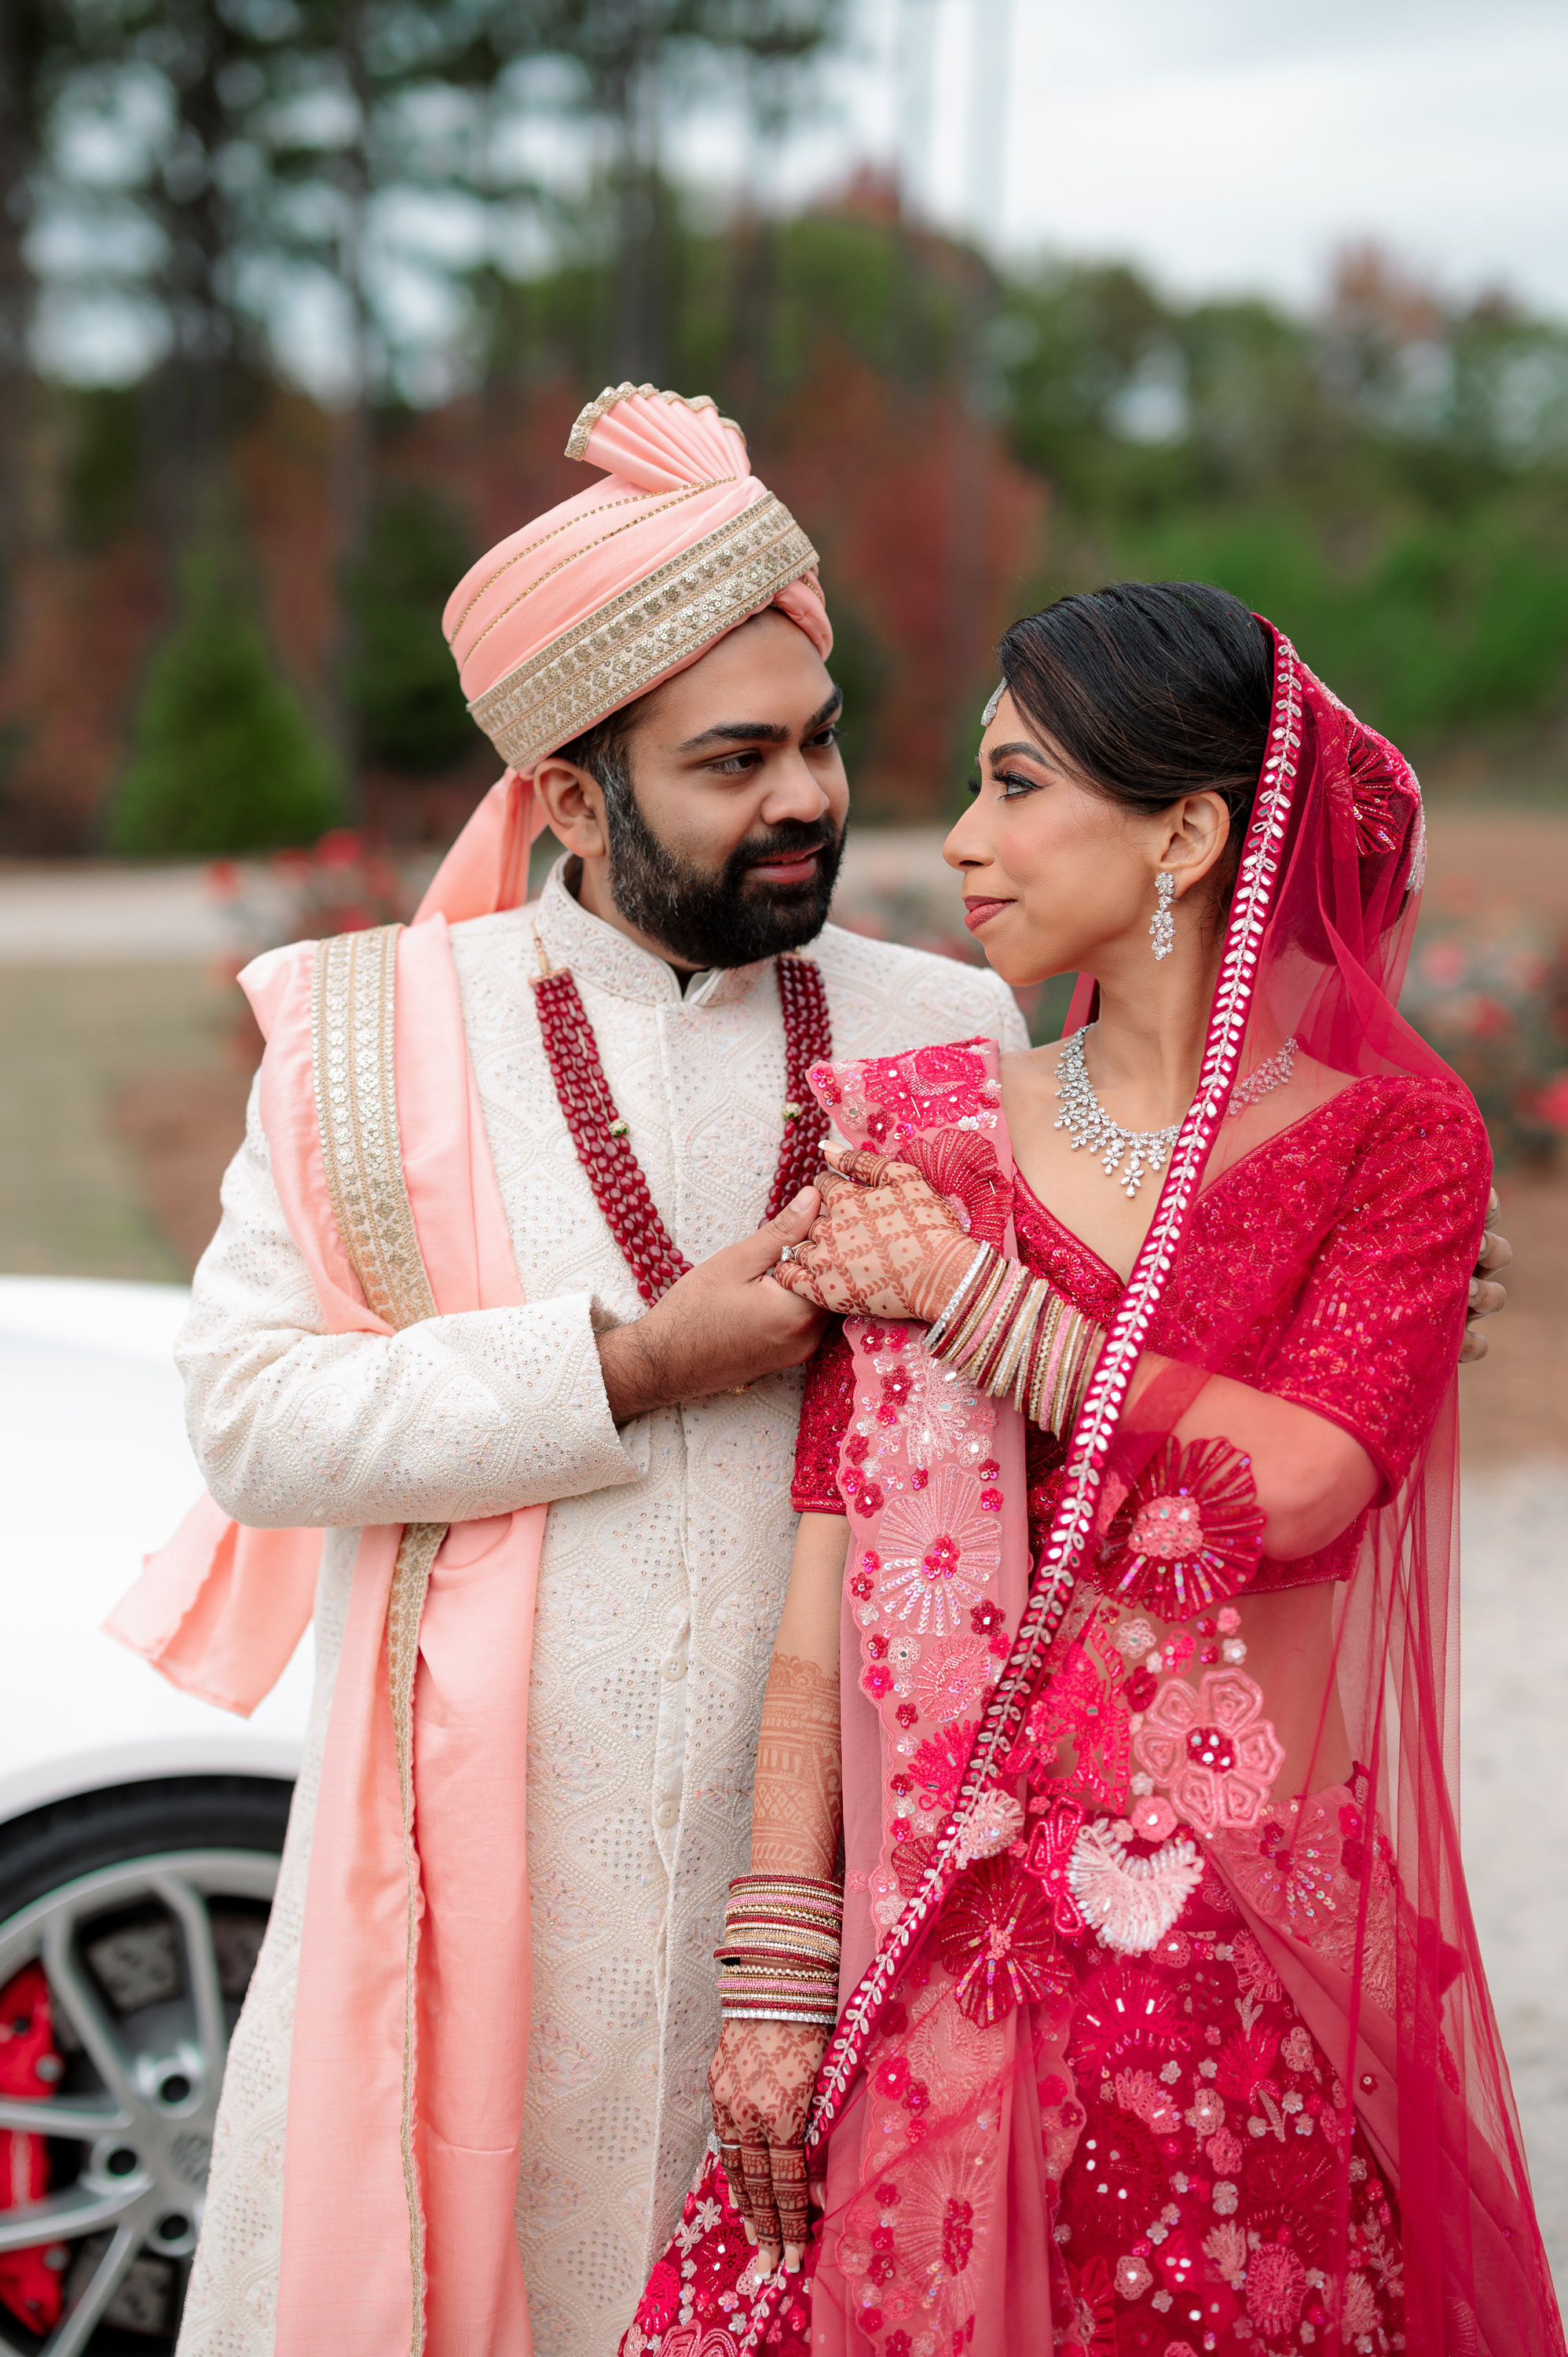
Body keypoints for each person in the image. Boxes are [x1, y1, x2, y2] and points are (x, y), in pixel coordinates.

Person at [109, 387, 1028, 2356]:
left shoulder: (947, 1022)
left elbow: (1075, 1377)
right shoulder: (371, 1040)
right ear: (570, 800)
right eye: (733, 762)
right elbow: (253, 1420)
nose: (805, 797)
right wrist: (630, 1364)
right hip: (485, 1897)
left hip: (834, 1886)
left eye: (817, 739)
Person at [626, 584, 1555, 2357]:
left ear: (1185, 836)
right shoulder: (924, 1140)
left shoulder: (1392, 1140)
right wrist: (777, 1976)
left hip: (1239, 1954)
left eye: (1016, 784)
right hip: (940, 1938)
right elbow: (827, 1576)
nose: (959, 841)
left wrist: (977, 1305)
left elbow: (1297, 1485)